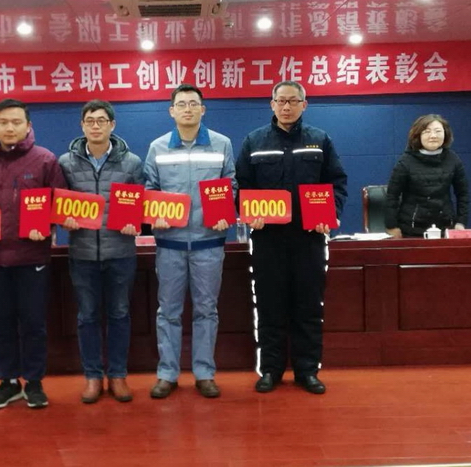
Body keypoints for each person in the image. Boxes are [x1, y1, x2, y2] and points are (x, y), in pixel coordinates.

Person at [236, 80, 347, 395]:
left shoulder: (319, 140)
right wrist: (248, 213)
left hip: (308, 238)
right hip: (267, 239)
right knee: (269, 306)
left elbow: (337, 182)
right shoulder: (254, 141)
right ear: (272, 104)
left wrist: (330, 215)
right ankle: (270, 370)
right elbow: (241, 184)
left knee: (308, 307)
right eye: (281, 101)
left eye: (293, 101)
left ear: (304, 104)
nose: (286, 107)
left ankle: (307, 371)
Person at [0, 98, 67, 410]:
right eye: (4, 122)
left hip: (32, 258)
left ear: (28, 125)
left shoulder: (45, 160)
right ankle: (8, 381)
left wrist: (47, 225)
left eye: (16, 122)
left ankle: (34, 382)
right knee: (1, 323)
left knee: (34, 323)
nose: (10, 128)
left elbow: (60, 203)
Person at [143, 83, 236, 399]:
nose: (187, 109)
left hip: (209, 242)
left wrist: (226, 212)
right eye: (181, 104)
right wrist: (153, 214)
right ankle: (167, 374)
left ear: (202, 109)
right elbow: (150, 188)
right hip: (169, 243)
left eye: (193, 103)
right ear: (172, 111)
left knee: (206, 311)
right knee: (168, 311)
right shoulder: (157, 147)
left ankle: (204, 372)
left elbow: (230, 185)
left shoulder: (222, 144)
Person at [58, 100, 143, 404]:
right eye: (90, 121)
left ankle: (118, 375)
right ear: (82, 125)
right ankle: (93, 376)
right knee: (87, 317)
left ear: (112, 125)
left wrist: (136, 222)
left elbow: (141, 204)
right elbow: (58, 204)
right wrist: (64, 219)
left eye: (101, 120)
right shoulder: (65, 163)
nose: (96, 126)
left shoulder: (131, 162)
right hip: (82, 254)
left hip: (120, 252)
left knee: (120, 314)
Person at [384, 114, 469, 238]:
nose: (433, 136)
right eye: (427, 131)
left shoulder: (453, 159)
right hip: (411, 228)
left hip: (445, 227)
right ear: (418, 135)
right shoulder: (405, 161)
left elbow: (463, 194)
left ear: (445, 134)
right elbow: (392, 196)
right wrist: (391, 226)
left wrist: (461, 222)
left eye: (438, 131)